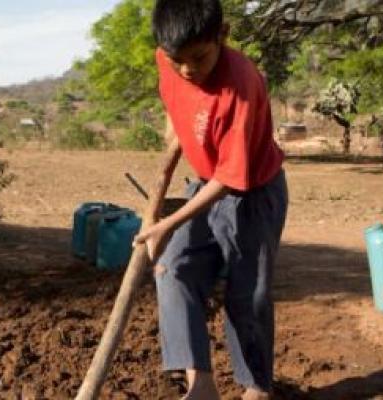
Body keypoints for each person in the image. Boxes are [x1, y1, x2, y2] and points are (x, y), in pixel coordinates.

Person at [133, 1, 288, 399]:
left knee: (246, 293)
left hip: (252, 193)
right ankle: (199, 384)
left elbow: (229, 179)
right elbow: (175, 112)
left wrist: (166, 223)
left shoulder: (242, 84)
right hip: (205, 182)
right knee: (173, 265)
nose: (187, 69)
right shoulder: (172, 57)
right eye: (176, 60)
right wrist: (153, 209)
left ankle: (257, 388)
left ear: (223, 34)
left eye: (198, 58)